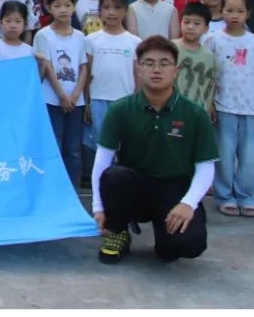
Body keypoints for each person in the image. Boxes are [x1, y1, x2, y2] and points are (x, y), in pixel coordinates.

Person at [92, 35, 217, 264]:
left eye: (164, 63)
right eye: (149, 63)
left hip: (174, 189)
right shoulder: (121, 109)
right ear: (138, 69)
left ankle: (166, 237)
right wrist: (98, 207)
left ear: (175, 70)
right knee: (114, 176)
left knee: (186, 246)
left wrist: (188, 203)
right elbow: (102, 160)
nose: (156, 70)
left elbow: (206, 166)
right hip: (135, 186)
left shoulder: (195, 114)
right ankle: (118, 231)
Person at [207, 0, 254, 218]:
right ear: (221, 11)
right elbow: (208, 74)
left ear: (248, 14)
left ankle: (247, 197)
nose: (234, 15)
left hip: (251, 109)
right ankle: (225, 196)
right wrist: (209, 103)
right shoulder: (213, 40)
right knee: (224, 156)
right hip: (223, 107)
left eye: (240, 11)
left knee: (249, 157)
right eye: (230, 10)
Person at [34, 0, 88, 189]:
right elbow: (47, 66)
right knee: (54, 145)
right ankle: (52, 189)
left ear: (74, 7)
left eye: (67, 5)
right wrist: (62, 95)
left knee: (73, 148)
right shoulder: (43, 35)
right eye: (57, 5)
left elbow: (83, 67)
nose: (63, 10)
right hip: (51, 99)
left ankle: (71, 189)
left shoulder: (80, 36)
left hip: (76, 102)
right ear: (49, 7)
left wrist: (75, 95)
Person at [83, 0, 141, 176]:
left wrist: (137, 102)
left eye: (117, 7)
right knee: (102, 147)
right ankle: (101, 183)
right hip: (98, 99)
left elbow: (138, 76)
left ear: (125, 10)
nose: (111, 12)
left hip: (125, 101)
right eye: (106, 7)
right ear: (99, 10)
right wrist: (87, 102)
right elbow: (87, 73)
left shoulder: (134, 42)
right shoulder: (91, 40)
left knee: (124, 145)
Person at [172, 2, 216, 113]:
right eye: (186, 22)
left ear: (206, 28)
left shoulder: (210, 57)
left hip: (199, 112)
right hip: (173, 109)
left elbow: (210, 86)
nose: (190, 27)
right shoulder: (170, 48)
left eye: (197, 23)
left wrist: (209, 107)